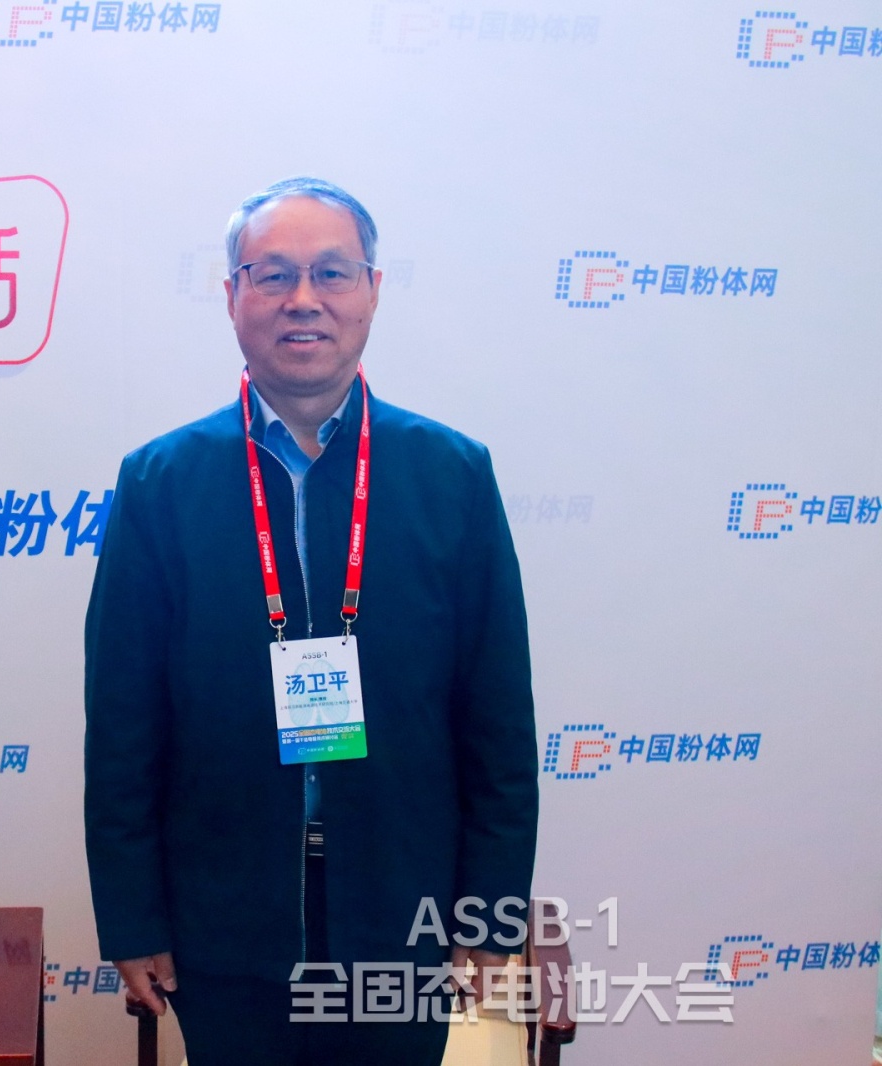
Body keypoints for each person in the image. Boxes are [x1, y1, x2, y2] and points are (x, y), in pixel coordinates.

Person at [83, 176, 538, 1064]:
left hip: (403, 906)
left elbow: (497, 723)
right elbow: (125, 725)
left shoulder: (450, 475)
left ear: (372, 290)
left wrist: (489, 917)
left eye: (332, 272)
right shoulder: (161, 483)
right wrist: (133, 915)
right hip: (223, 913)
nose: (303, 299)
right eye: (273, 274)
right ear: (233, 295)